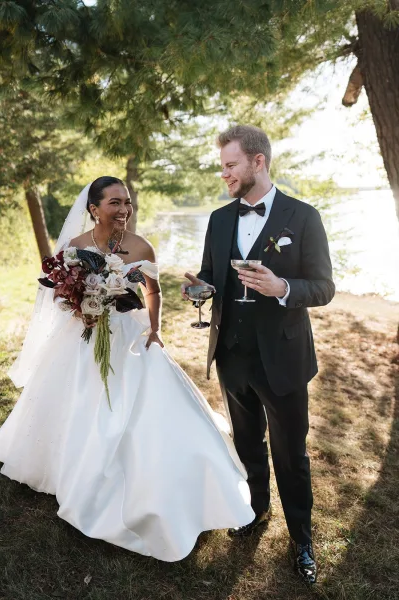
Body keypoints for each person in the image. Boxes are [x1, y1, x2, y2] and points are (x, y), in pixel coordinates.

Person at [0, 176, 255, 562]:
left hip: (130, 334)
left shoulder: (140, 245)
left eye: (128, 202)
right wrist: (81, 305)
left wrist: (155, 330)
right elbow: (58, 292)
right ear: (94, 208)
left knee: (144, 406)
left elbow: (153, 291)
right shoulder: (75, 247)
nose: (124, 209)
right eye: (115, 202)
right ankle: (75, 469)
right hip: (84, 334)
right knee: (81, 400)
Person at [182, 125, 335, 583]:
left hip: (283, 360)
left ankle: (302, 539)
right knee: (248, 444)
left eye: (230, 165)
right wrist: (201, 288)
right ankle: (255, 510)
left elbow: (325, 287)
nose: (224, 174)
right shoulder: (218, 218)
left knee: (291, 455)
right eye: (222, 166)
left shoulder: (303, 217)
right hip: (232, 355)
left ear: (258, 162)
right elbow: (213, 274)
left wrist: (283, 287)